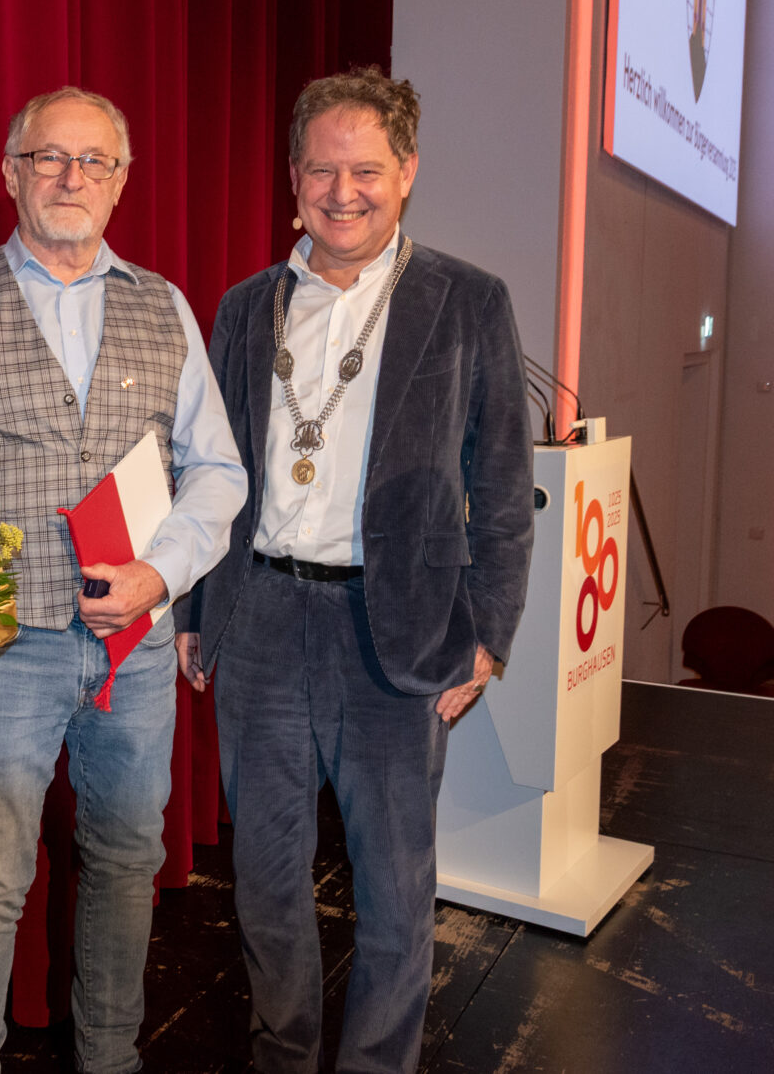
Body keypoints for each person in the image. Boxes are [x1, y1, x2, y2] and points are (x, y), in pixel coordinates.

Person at [177, 67, 534, 1073]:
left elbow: (502, 485)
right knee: (267, 882)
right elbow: (216, 470)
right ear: (294, 179)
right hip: (259, 628)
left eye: (366, 170)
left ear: (408, 173)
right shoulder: (247, 307)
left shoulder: (469, 301)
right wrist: (202, 609)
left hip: (399, 632)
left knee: (392, 886)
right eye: (322, 171)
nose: (344, 191)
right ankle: (281, 1056)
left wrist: (490, 633)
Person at [0, 86, 247, 1073]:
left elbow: (218, 470)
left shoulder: (165, 305)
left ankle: (111, 1058)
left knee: (125, 860)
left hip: (131, 651)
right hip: (0, 649)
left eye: (92, 162)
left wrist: (161, 572)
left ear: (121, 183)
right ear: (12, 174)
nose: (70, 178)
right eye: (48, 159)